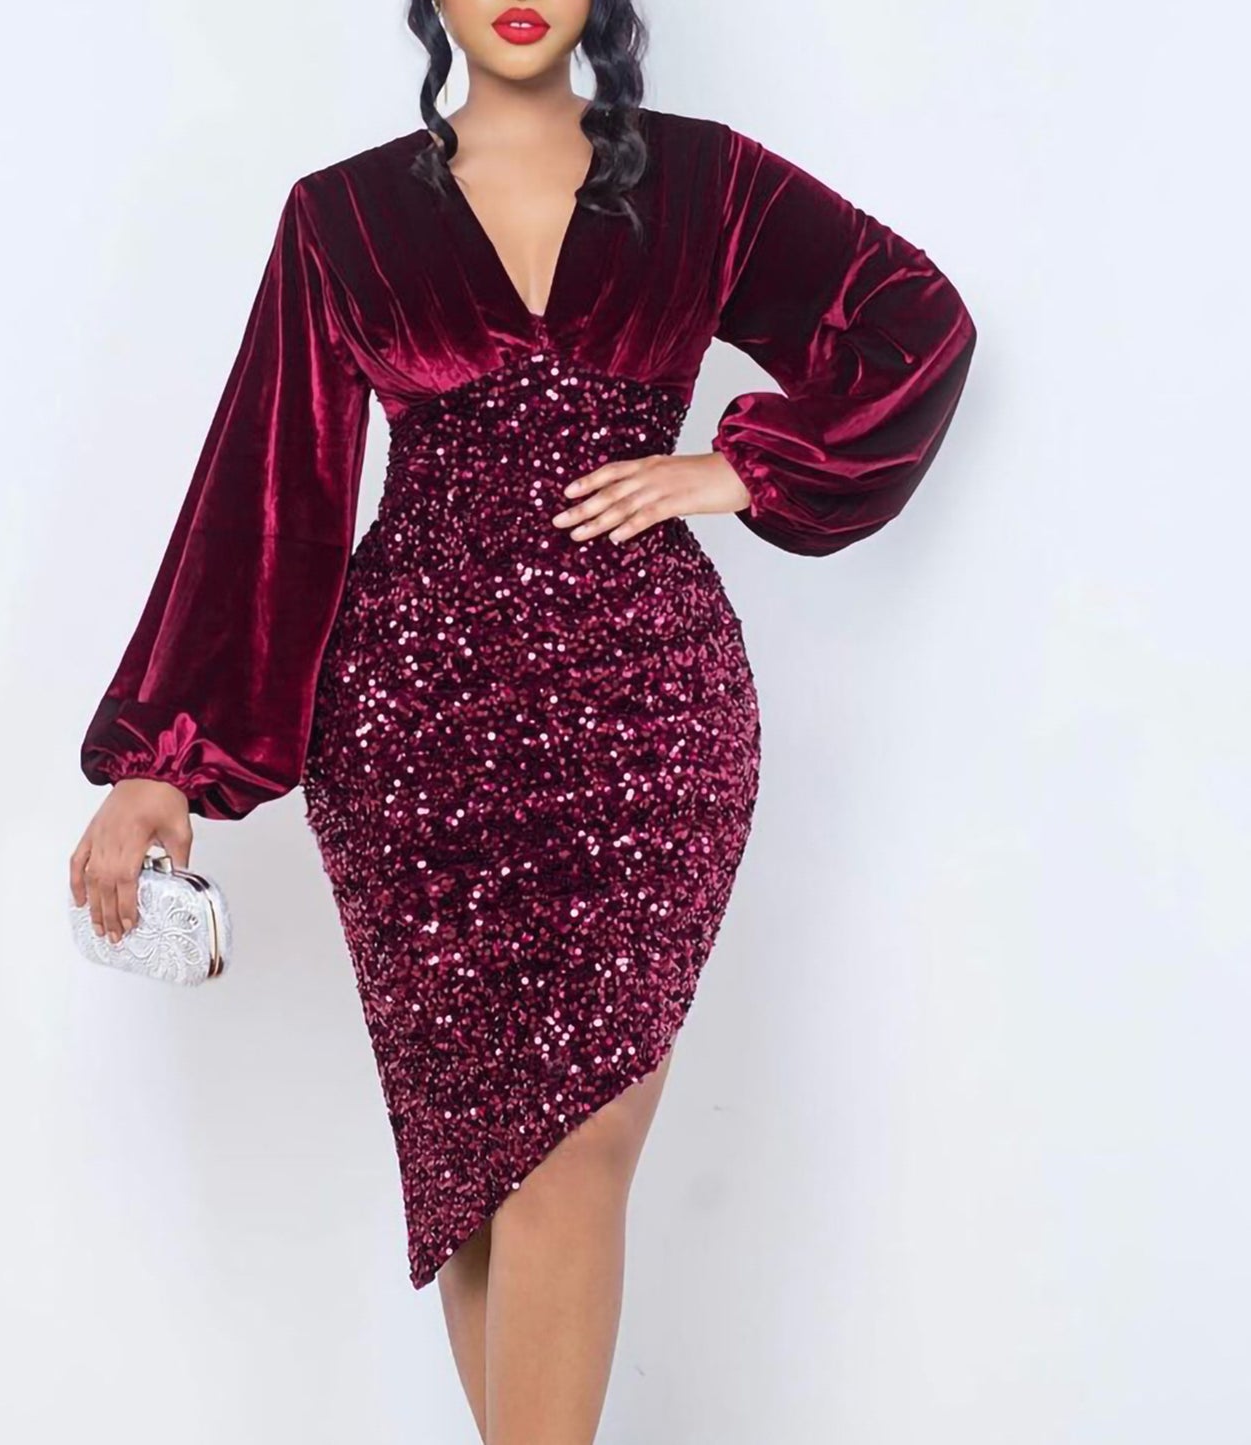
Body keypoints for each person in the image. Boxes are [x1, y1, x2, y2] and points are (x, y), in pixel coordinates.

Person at [68, 0, 977, 1438]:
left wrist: (739, 469)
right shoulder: (341, 217)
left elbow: (915, 323)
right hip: (410, 735)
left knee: (575, 1150)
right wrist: (162, 762)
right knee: (479, 1172)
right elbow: (268, 488)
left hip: (648, 719)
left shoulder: (708, 180)